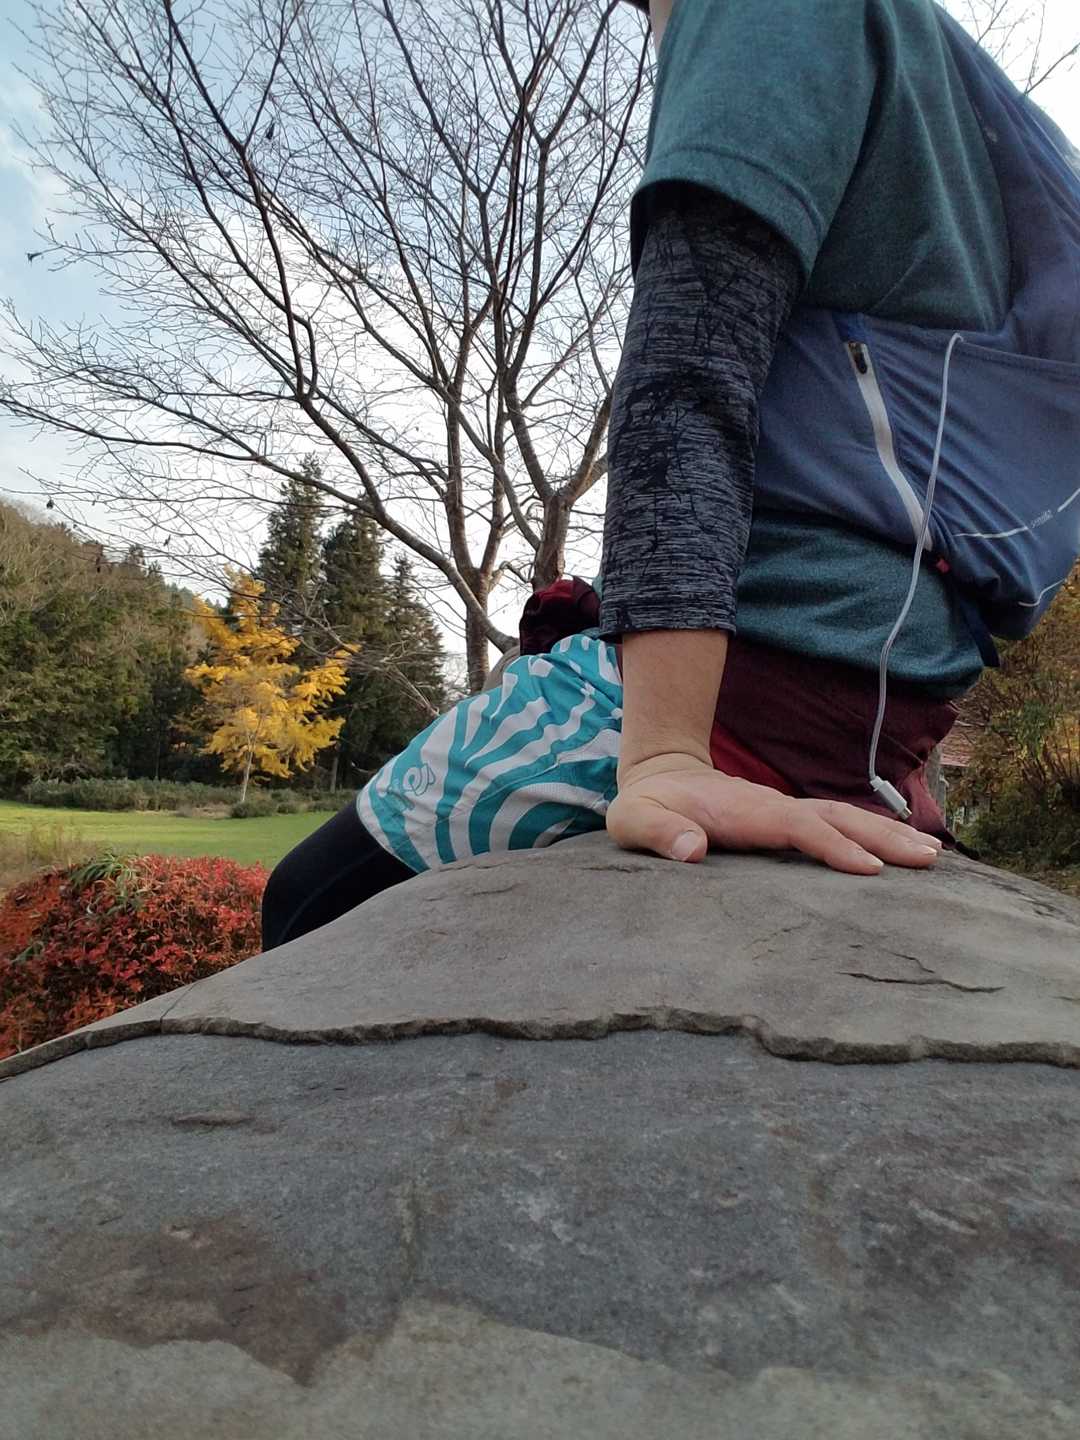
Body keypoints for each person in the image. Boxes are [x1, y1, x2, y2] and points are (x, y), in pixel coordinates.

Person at [261, 0, 1080, 951]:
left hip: (736, 686)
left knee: (307, 901)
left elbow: (688, 377)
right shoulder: (1003, 145)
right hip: (882, 717)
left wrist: (663, 755)